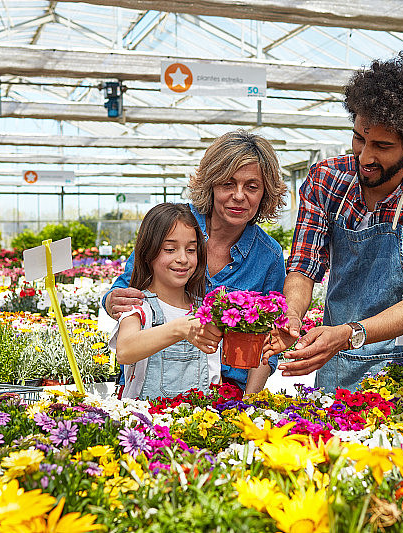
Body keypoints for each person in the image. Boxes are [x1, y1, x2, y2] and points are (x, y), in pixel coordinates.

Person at [266, 54, 403, 392]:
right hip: (337, 361)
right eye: (359, 138)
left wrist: (349, 333)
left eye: (382, 146)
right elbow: (303, 265)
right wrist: (293, 318)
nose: (365, 156)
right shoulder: (326, 179)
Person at [104, 130, 287, 395]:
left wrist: (248, 403)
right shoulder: (173, 225)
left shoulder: (267, 255)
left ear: (265, 193)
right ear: (211, 185)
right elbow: (127, 293)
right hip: (149, 387)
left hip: (224, 394)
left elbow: (266, 343)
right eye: (227, 183)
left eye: (252, 186)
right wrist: (113, 301)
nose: (239, 196)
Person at [109, 203, 222, 399]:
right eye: (170, 249)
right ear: (147, 253)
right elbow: (125, 350)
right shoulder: (139, 306)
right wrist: (179, 329)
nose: (183, 259)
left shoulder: (204, 309)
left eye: (191, 250)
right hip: (149, 426)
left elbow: (213, 373)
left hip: (198, 425)